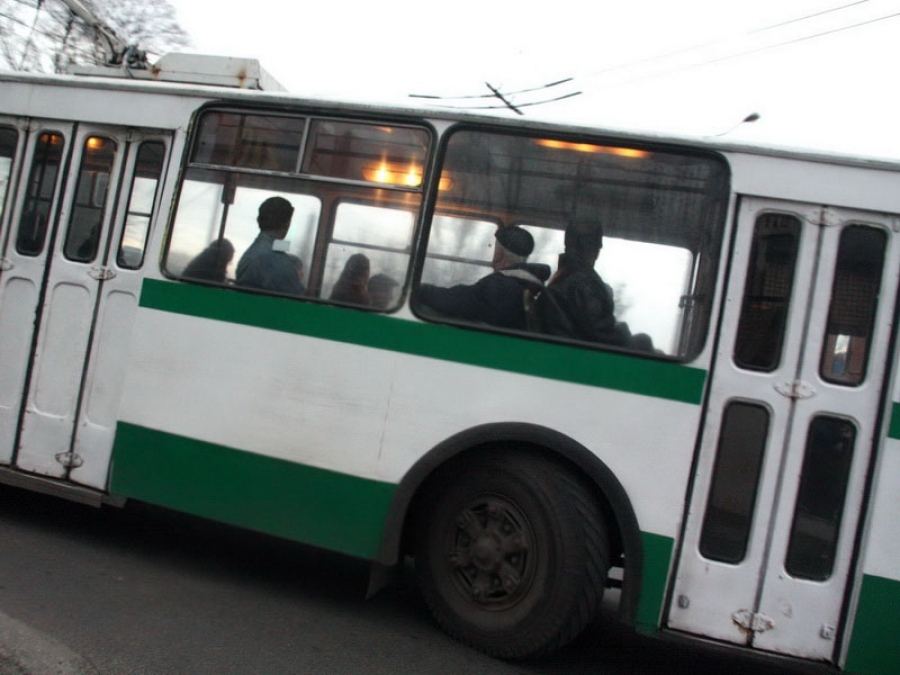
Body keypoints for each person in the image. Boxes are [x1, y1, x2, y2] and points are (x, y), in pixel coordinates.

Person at [417, 226, 549, 330]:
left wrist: (418, 290)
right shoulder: (522, 284)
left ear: (500, 253)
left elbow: (456, 301)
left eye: (494, 248)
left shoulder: (501, 287)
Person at [536, 221, 632, 346]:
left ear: (567, 245)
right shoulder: (584, 286)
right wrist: (624, 332)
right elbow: (603, 336)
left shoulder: (562, 276)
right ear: (596, 250)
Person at [236, 196, 306, 295]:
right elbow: (298, 301)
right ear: (286, 224)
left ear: (258, 220)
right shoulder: (275, 261)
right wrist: (294, 276)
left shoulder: (254, 252)